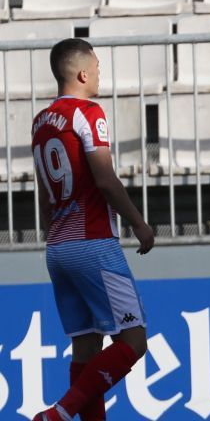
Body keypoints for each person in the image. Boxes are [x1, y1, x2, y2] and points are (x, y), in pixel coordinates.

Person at [32, 38, 155, 421]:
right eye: (98, 67)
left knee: (85, 350)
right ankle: (60, 414)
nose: (100, 73)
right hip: (92, 243)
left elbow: (42, 192)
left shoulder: (40, 121)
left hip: (58, 247)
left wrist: (55, 233)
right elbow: (104, 179)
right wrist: (138, 222)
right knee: (134, 340)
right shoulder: (87, 112)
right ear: (83, 73)